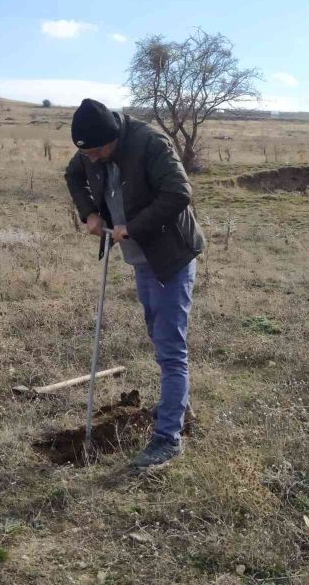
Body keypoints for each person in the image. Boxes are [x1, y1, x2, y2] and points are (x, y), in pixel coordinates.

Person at [64, 98, 205, 469]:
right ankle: (180, 407)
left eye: (96, 151)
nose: (91, 158)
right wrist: (90, 213)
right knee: (157, 335)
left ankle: (168, 438)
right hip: (142, 260)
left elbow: (179, 192)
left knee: (171, 348)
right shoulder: (91, 152)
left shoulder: (150, 144)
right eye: (87, 152)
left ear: (112, 138)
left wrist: (134, 226)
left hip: (170, 257)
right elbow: (73, 175)